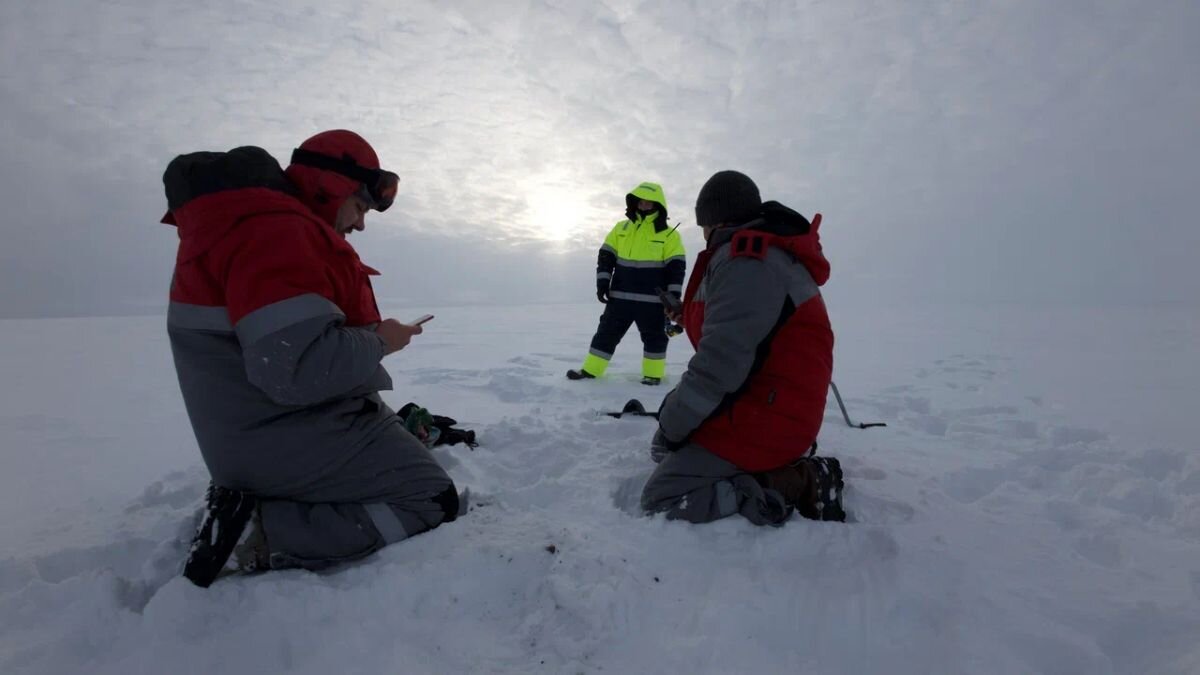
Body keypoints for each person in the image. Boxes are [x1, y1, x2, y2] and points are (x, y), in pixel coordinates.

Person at [162, 130, 462, 587]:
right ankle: (253, 534)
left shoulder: (266, 225)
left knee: (405, 452)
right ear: (331, 186)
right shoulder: (275, 232)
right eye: (360, 207)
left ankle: (263, 506)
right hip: (274, 435)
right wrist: (382, 341)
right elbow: (294, 371)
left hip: (275, 425)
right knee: (430, 499)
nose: (361, 224)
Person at [640, 170, 845, 525]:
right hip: (769, 399)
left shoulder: (748, 262)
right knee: (665, 446)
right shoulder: (753, 256)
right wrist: (684, 315)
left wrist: (673, 426)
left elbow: (719, 365)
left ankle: (797, 483)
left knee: (662, 496)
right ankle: (770, 464)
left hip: (773, 413)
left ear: (713, 219)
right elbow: (736, 329)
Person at [567, 182, 685, 385]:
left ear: (659, 205)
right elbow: (606, 256)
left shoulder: (669, 235)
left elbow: (676, 267)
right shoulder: (620, 228)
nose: (644, 205)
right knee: (605, 335)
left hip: (653, 301)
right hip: (619, 298)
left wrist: (673, 296)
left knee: (655, 338)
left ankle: (653, 376)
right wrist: (602, 283)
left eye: (649, 202)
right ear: (634, 203)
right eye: (641, 201)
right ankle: (590, 371)